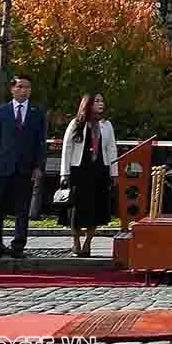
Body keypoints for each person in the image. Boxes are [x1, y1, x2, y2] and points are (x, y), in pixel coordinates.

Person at [0, 73, 47, 258]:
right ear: (12, 89)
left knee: (22, 209)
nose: (23, 90)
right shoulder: (1, 112)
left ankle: (18, 245)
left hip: (26, 168)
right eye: (19, 87)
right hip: (3, 167)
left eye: (27, 87)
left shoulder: (37, 112)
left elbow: (40, 142)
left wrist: (38, 166)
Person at [57, 93, 118, 256]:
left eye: (102, 101)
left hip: (99, 170)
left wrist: (114, 173)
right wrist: (65, 173)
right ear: (88, 104)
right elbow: (67, 148)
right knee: (77, 209)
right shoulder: (76, 124)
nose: (100, 104)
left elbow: (112, 149)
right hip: (79, 171)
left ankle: (88, 243)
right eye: (97, 101)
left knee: (97, 209)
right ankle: (76, 241)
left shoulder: (106, 125)